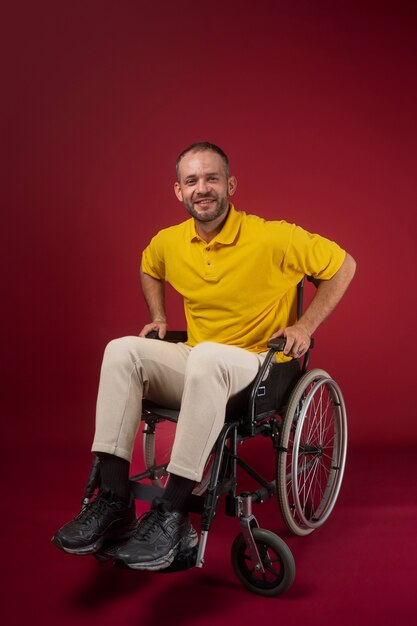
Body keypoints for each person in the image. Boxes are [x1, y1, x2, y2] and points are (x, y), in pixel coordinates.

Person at [52, 141, 356, 570]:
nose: (202, 188)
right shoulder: (170, 242)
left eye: (211, 178)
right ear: (179, 191)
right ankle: (114, 501)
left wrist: (304, 327)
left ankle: (173, 514)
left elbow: (344, 266)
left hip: (255, 366)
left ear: (230, 184)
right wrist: (158, 316)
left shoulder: (274, 236)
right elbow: (149, 265)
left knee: (208, 357)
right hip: (199, 360)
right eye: (191, 181)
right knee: (122, 351)